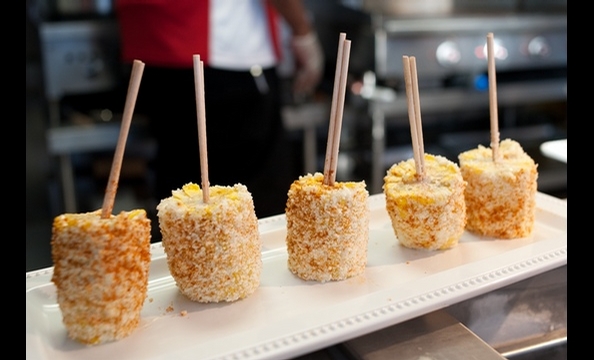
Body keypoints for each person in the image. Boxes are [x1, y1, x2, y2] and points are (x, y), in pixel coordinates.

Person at [115, 0, 324, 220]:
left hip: (158, 51)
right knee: (253, 205)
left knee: (182, 194)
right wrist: (303, 31)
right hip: (226, 55)